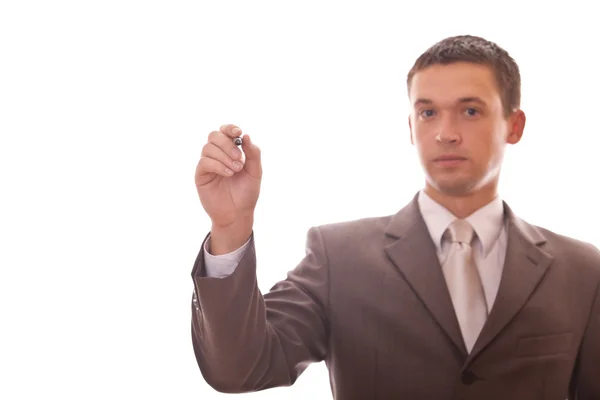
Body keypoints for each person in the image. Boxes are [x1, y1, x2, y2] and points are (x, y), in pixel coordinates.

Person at [190, 35, 600, 399]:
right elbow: (240, 369)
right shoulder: (338, 258)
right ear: (410, 126)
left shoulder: (582, 271)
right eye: (428, 113)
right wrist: (230, 226)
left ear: (515, 125)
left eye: (470, 111)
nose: (445, 133)